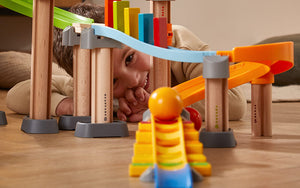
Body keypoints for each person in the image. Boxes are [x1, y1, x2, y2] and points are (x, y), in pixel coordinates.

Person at [4, 2, 247, 122]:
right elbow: (18, 95)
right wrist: (72, 105)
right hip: (45, 67)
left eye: (130, 57)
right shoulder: (90, 83)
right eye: (113, 80)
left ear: (139, 37)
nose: (132, 79)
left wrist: (160, 103)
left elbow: (234, 102)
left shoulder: (180, 46)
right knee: (13, 65)